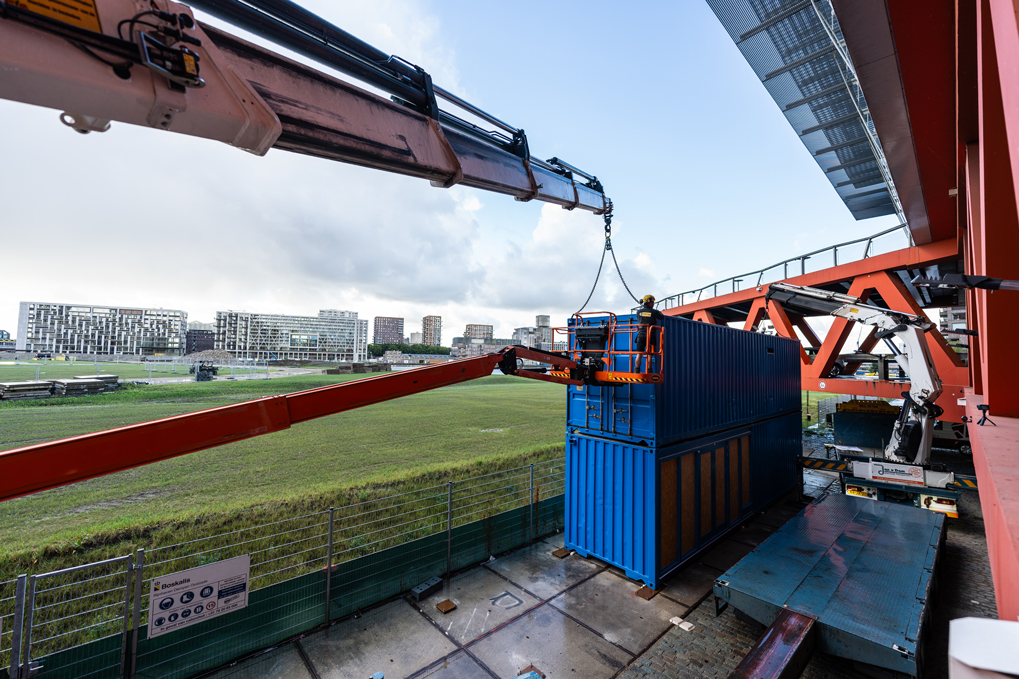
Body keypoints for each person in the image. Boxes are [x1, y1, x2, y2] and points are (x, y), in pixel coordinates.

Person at [635, 294, 664, 371]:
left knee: (639, 354)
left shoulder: (638, 312)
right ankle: (649, 371)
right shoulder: (654, 312)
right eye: (652, 302)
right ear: (648, 302)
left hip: (640, 335)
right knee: (650, 355)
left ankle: (637, 370)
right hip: (650, 335)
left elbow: (638, 319)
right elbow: (661, 316)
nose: (653, 303)